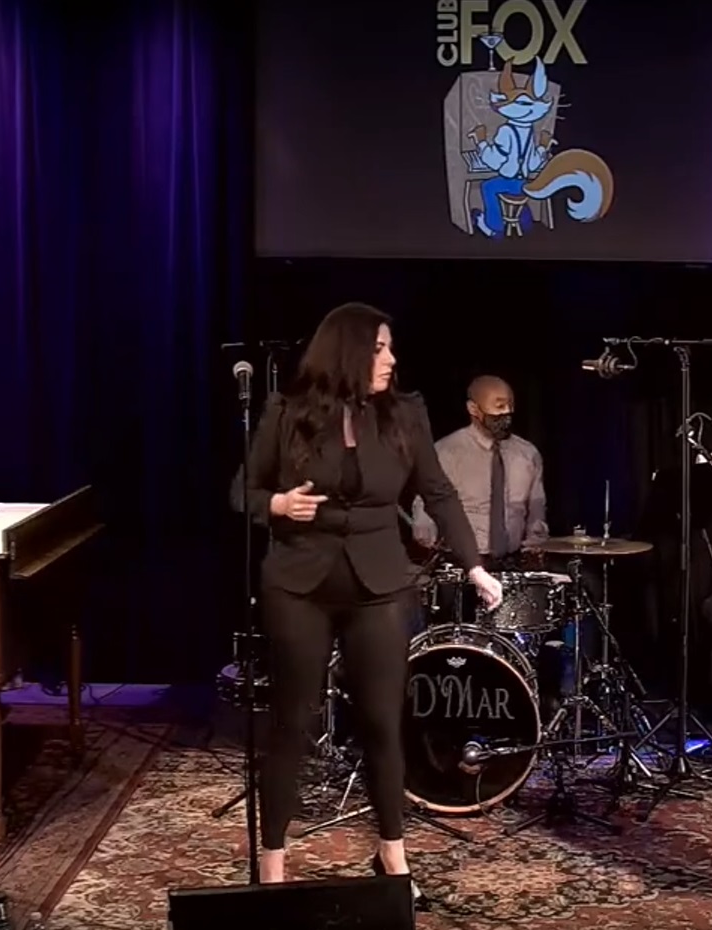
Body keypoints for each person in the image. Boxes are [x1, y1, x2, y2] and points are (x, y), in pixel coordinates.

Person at [233, 303, 502, 898]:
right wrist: (277, 505)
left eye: (390, 347)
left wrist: (474, 566)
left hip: (379, 585)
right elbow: (242, 491)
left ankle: (392, 858)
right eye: (379, 348)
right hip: (300, 584)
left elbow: (438, 492)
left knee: (382, 721)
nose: (391, 359)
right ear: (348, 351)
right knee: (292, 725)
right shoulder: (286, 411)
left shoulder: (405, 413)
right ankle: (273, 867)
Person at [410, 375, 549, 559]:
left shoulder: (528, 454)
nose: (507, 413)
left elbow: (536, 507)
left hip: (513, 560)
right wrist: (425, 530)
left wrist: (536, 539)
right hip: (462, 560)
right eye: (499, 406)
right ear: (473, 409)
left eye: (510, 405)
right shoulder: (447, 452)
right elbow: (426, 502)